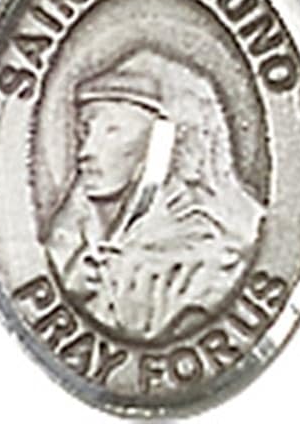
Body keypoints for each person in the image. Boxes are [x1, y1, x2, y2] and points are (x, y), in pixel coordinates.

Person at [43, 49, 263, 341]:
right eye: (85, 131)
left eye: (112, 130)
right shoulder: (72, 242)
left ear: (159, 146)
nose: (86, 151)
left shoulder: (210, 261)